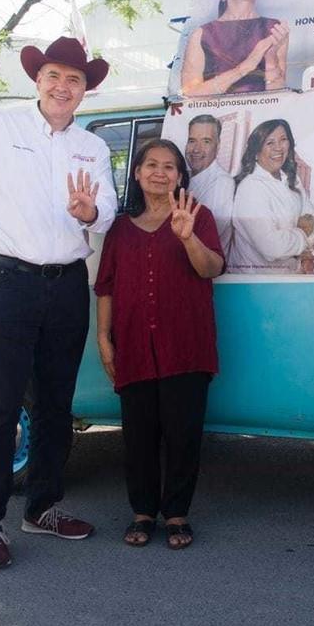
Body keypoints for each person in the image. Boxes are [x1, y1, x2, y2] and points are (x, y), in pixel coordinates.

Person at [0, 36, 117, 571]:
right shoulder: (0, 126)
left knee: (55, 404)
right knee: (1, 405)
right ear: (37, 80)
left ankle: (42, 508)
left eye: (75, 80)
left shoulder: (92, 147)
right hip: (8, 281)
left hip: (67, 283)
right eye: (54, 76)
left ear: (85, 91)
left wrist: (90, 213)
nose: (63, 87)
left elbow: (108, 212)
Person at [95, 139, 224, 550]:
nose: (159, 172)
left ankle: (177, 514)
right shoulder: (118, 228)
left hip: (186, 345)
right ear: (136, 173)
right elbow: (106, 287)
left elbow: (212, 269)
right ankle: (142, 512)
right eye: (151, 164)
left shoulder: (198, 218)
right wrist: (103, 337)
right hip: (132, 346)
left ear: (180, 176)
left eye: (170, 167)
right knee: (139, 435)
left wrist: (187, 238)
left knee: (183, 434)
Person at [179, 0, 288, 96]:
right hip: (216, 113)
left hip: (261, 113)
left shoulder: (275, 28)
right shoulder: (202, 34)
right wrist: (245, 67)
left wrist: (271, 58)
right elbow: (190, 94)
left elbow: (277, 93)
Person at [228, 119, 314, 274]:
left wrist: (298, 241)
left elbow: (311, 217)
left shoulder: (291, 178)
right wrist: (302, 235)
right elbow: (272, 248)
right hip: (254, 285)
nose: (278, 148)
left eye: (283, 140)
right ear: (256, 152)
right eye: (270, 143)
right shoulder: (250, 188)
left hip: (290, 278)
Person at [185, 114, 236, 251]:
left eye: (206, 141)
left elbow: (208, 235)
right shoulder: (184, 178)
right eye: (192, 141)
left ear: (218, 146)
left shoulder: (222, 183)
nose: (196, 149)